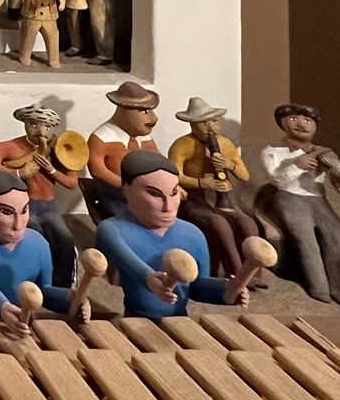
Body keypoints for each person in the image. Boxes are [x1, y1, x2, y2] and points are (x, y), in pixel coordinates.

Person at [95, 151, 246, 320]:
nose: (168, 206)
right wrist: (149, 278)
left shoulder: (193, 234)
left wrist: (228, 289)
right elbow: (130, 264)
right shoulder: (112, 230)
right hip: (135, 322)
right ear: (127, 190)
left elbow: (196, 288)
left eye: (174, 193)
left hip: (180, 322)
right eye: (154, 194)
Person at [0, 172, 84, 333]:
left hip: (26, 329)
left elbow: (43, 292)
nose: (18, 224)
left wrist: (72, 299)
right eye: (6, 212)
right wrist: (3, 307)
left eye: (24, 210)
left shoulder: (38, 242)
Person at [259, 103, 340, 305]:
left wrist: (339, 179)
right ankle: (318, 286)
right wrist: (296, 165)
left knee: (339, 239)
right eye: (294, 119)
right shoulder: (272, 151)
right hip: (289, 197)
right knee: (305, 240)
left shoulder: (324, 153)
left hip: (317, 199)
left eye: (308, 120)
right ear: (282, 123)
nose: (302, 124)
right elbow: (277, 180)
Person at [0, 103, 79, 282]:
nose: (41, 131)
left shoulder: (60, 150)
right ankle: (32, 280)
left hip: (48, 207)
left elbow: (72, 183)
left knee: (64, 239)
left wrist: (52, 170)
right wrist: (18, 173)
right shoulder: (8, 147)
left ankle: (63, 284)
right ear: (25, 124)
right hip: (21, 207)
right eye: (34, 125)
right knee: (34, 239)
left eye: (48, 127)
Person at [167, 96, 255, 280]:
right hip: (196, 198)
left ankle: (253, 273)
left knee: (247, 224)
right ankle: (236, 271)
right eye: (203, 123)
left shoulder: (225, 143)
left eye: (214, 121)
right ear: (192, 124)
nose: (211, 127)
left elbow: (244, 175)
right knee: (219, 224)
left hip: (224, 194)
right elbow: (174, 174)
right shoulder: (181, 145)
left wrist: (229, 164)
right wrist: (199, 182)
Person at [85, 81, 159, 222]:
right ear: (124, 110)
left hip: (144, 196)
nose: (154, 118)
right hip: (115, 196)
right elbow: (98, 170)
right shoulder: (102, 138)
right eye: (144, 111)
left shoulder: (145, 139)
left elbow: (158, 165)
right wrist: (130, 188)